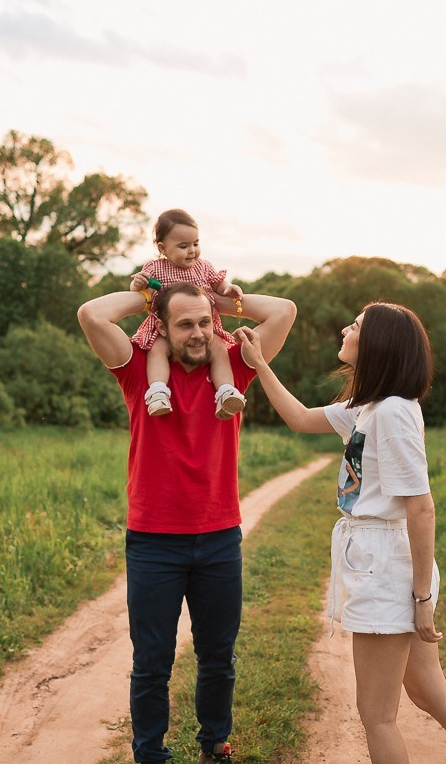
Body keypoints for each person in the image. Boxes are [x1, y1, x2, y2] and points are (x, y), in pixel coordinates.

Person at [233, 304, 446, 764]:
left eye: (356, 325)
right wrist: (259, 363)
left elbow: (421, 506)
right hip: (384, 559)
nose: (345, 329)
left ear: (378, 343)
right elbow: (300, 418)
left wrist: (421, 598)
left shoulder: (393, 412)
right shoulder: (368, 408)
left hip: (386, 567)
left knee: (377, 715)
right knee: (431, 694)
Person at [78, 277, 297, 764]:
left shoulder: (232, 373)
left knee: (218, 657)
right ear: (161, 327)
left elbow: (283, 310)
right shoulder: (138, 371)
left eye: (204, 323)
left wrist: (215, 299)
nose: (198, 333)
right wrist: (150, 296)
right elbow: (92, 314)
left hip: (219, 538)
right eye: (184, 325)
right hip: (153, 542)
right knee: (151, 663)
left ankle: (214, 747)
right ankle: (150, 754)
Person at [130, 209, 247, 420]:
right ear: (163, 248)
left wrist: (229, 289)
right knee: (157, 350)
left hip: (200, 327)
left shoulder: (203, 267)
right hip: (166, 328)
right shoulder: (155, 268)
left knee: (219, 348)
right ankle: (157, 392)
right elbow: (140, 291)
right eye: (183, 246)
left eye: (196, 244)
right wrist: (137, 285)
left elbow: (219, 284)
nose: (192, 251)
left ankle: (226, 392)